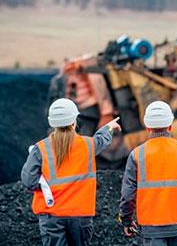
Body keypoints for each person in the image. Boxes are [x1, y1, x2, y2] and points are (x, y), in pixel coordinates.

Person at [21, 98, 121, 246]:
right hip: (80, 216)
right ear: (74, 122)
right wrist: (109, 127)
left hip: (51, 216)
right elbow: (101, 139)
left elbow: (28, 181)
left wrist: (45, 187)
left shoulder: (40, 149)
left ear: (52, 123)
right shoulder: (88, 145)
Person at [119, 100, 177, 246]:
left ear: (147, 127)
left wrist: (126, 219)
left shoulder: (137, 154)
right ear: (170, 126)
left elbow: (128, 193)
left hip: (151, 225)